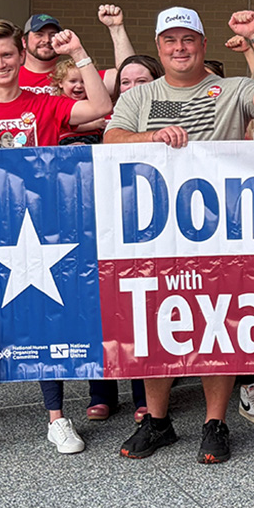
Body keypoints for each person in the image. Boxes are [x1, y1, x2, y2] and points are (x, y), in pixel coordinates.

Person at [104, 6, 254, 464]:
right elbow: (111, 140)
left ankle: (215, 422)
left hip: (220, 232)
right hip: (156, 233)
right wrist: (150, 138)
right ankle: (159, 422)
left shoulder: (229, 89)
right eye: (170, 40)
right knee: (156, 327)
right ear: (160, 46)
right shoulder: (141, 95)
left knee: (218, 326)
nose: (179, 48)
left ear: (202, 45)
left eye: (188, 39)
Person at [0, 19, 114, 465]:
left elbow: (101, 104)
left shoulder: (43, 106)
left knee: (46, 321)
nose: (0, 64)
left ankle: (56, 417)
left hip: (45, 236)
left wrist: (81, 52)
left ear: (21, 56)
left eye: (7, 55)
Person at [84, 54, 166, 423]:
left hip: (155, 227)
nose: (134, 88)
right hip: (111, 225)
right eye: (126, 82)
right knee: (105, 306)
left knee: (142, 310)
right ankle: (101, 391)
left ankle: (142, 394)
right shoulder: (109, 123)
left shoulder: (171, 118)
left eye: (142, 80)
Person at [0, 6, 135, 95]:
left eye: (53, 34)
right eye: (39, 34)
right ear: (24, 42)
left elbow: (129, 77)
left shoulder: (77, 76)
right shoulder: (9, 75)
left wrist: (116, 28)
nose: (46, 40)